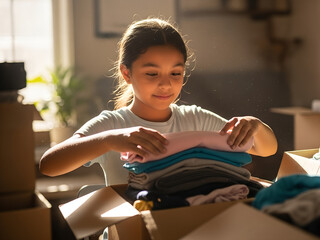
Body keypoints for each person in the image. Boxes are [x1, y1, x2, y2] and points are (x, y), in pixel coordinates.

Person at [39, 18, 278, 186]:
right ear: (127, 73)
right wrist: (110, 140)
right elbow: (49, 165)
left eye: (175, 73)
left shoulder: (194, 118)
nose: (166, 84)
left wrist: (254, 124)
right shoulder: (113, 124)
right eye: (152, 74)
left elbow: (266, 149)